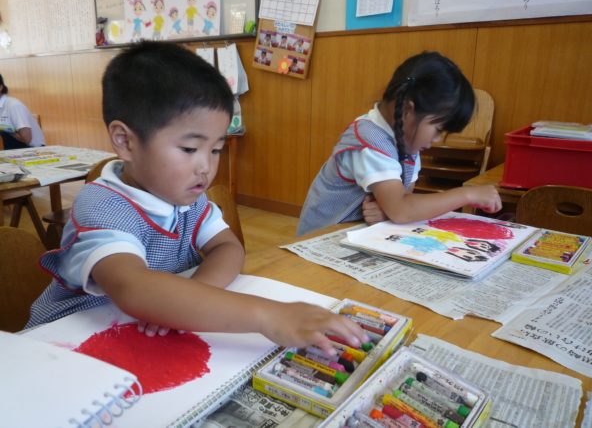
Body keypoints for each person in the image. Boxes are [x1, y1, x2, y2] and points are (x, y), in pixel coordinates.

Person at [26, 42, 367, 355]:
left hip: (140, 337)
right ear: (125, 141)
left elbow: (228, 248)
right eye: (189, 148)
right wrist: (267, 315)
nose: (206, 166)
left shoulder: (186, 197)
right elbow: (135, 289)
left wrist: (185, 300)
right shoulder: (102, 207)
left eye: (216, 149)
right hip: (62, 347)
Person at [296, 51, 501, 237]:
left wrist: (388, 210)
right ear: (406, 111)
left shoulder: (406, 137)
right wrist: (468, 194)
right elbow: (403, 210)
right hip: (321, 237)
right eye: (438, 129)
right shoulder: (370, 141)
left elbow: (403, 200)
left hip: (358, 233)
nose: (437, 139)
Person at [0, 73, 45, 149]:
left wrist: (4, 130)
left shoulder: (14, 105)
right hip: (10, 150)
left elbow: (26, 139)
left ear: (1, 87)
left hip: (32, 151)